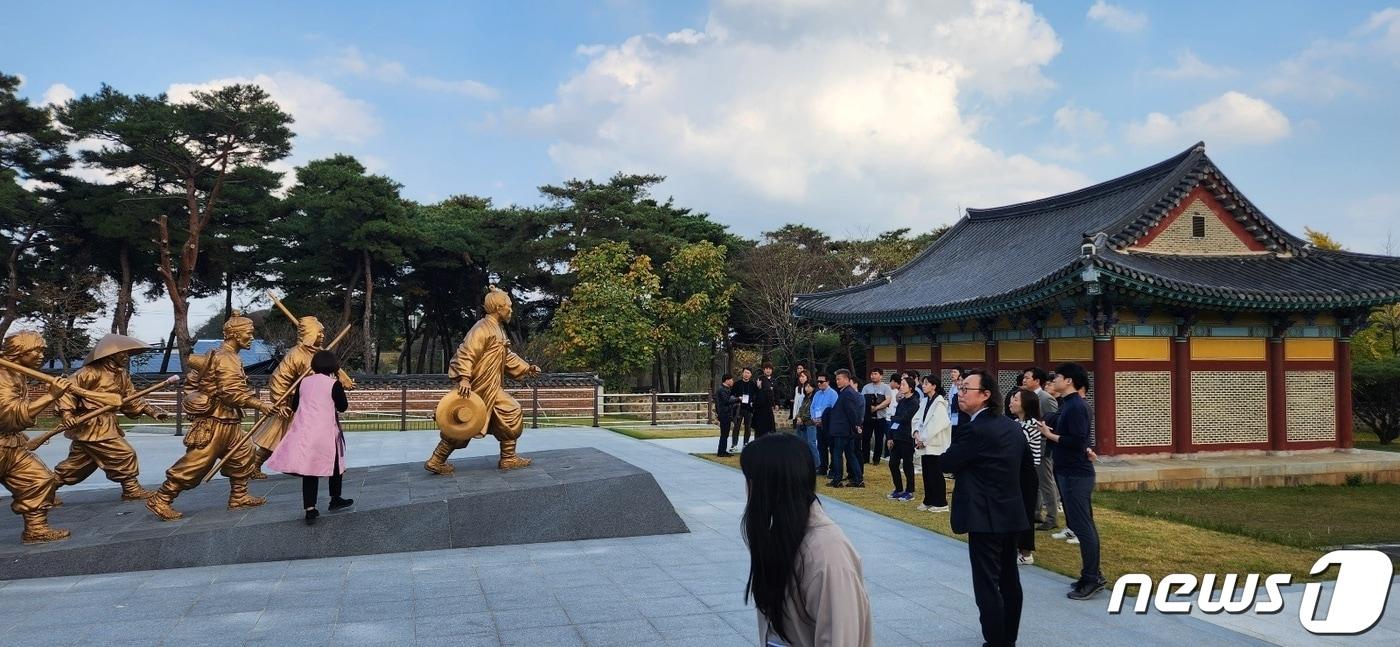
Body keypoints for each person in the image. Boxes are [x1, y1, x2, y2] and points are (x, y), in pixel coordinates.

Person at [147, 314, 285, 521]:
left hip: (229, 420)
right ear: (236, 335)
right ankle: (161, 498)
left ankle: (239, 496)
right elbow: (230, 392)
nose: (251, 337)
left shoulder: (218, 355)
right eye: (248, 333)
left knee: (243, 454)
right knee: (196, 463)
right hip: (214, 422)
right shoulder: (225, 358)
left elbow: (194, 382)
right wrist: (260, 404)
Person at [742, 433, 873, 646]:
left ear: (771, 485)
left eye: (750, 480)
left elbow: (841, 639)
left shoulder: (827, 555)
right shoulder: (783, 532)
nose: (747, 490)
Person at [941, 369, 1036, 647]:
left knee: (986, 583)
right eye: (959, 389)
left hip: (983, 516)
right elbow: (1027, 473)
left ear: (985, 395)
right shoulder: (1011, 426)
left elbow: (948, 462)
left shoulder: (974, 429)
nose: (960, 394)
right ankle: (1008, 637)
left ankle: (996, 642)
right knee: (1009, 579)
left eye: (965, 389)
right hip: (1010, 513)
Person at [424, 287, 542, 474]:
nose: (511, 310)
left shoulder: (498, 330)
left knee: (510, 411)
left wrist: (527, 368)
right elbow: (466, 352)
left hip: (492, 387)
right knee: (465, 421)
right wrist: (464, 378)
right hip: (478, 386)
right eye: (508, 307)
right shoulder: (481, 328)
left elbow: (507, 356)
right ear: (497, 308)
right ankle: (437, 460)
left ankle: (508, 458)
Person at [52, 333, 167, 501]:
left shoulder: (122, 375)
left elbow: (131, 398)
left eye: (128, 353)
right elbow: (67, 391)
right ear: (111, 354)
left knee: (77, 466)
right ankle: (131, 489)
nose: (126, 357)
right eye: (123, 353)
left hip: (106, 423)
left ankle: (43, 490)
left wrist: (152, 411)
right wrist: (67, 413)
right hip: (92, 424)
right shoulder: (88, 372)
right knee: (124, 453)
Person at [250, 316, 354, 479]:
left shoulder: (319, 354)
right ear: (311, 334)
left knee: (317, 438)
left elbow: (333, 370)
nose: (322, 336)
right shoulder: (296, 354)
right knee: (275, 437)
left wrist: (343, 380)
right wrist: (281, 403)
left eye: (322, 333)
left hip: (315, 406)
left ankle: (331, 465)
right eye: (319, 333)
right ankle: (254, 466)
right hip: (293, 404)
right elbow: (279, 378)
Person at [0, 331, 74, 543]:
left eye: (42, 350)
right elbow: (8, 414)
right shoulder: (3, 377)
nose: (41, 355)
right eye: (36, 350)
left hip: (11, 446)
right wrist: (51, 396)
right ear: (18, 351)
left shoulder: (16, 374)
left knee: (39, 479)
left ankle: (36, 530)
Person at [1040, 363, 1106, 600]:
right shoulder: (1067, 404)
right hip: (1067, 470)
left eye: (1057, 377)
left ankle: (1092, 577)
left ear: (1068, 381)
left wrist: (1050, 436)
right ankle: (1089, 574)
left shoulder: (1077, 406)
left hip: (1077, 473)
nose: (1053, 380)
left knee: (1083, 526)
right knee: (1079, 524)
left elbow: (1077, 441)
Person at [266, 350, 354, 524]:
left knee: (309, 470)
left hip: (305, 431)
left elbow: (296, 405)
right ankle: (335, 498)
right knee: (335, 465)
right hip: (326, 431)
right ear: (333, 365)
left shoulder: (304, 382)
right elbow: (343, 406)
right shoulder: (333, 384)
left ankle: (310, 509)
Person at [1008, 389, 1043, 566]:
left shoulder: (1031, 425)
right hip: (1015, 472)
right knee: (1014, 511)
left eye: (1015, 399)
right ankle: (1016, 546)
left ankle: (1026, 552)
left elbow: (1018, 450)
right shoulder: (1016, 423)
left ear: (1025, 404)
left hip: (1027, 474)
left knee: (1025, 513)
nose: (1011, 402)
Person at [1023, 367, 1060, 531]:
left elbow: (1053, 422)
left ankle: (1052, 517)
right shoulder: (1028, 397)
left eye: (1027, 378)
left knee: (1045, 481)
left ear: (1037, 381)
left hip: (1043, 445)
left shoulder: (1046, 399)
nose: (1024, 380)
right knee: (1033, 480)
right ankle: (1035, 512)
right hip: (1031, 444)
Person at [913, 376, 951, 512]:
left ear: (934, 386)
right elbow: (917, 418)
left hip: (935, 443)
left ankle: (941, 503)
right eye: (923, 383)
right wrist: (916, 433)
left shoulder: (940, 403)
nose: (923, 386)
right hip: (924, 441)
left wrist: (924, 439)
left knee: (935, 473)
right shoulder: (924, 401)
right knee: (927, 473)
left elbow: (937, 424)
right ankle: (928, 499)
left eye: (926, 384)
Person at [824, 369, 865, 488]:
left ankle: (837, 479)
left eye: (839, 379)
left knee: (837, 454)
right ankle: (858, 479)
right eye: (836, 379)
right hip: (845, 429)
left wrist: (856, 426)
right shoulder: (846, 392)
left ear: (847, 379)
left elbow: (852, 413)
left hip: (843, 430)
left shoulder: (847, 394)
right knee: (849, 454)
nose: (837, 381)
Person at [885, 377, 919, 502]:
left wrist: (895, 418)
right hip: (897, 437)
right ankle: (898, 489)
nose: (901, 386)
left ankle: (909, 491)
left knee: (907, 465)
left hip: (907, 437)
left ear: (910, 387)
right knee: (893, 464)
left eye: (904, 384)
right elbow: (896, 420)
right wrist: (890, 436)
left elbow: (906, 418)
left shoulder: (915, 402)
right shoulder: (902, 402)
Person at [860, 369, 894, 465]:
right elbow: (862, 400)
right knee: (866, 438)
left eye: (875, 374)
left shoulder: (885, 387)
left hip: (881, 417)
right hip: (868, 417)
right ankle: (865, 458)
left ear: (881, 376)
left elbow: (888, 400)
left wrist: (877, 407)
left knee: (879, 439)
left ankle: (876, 459)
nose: (873, 376)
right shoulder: (866, 387)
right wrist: (869, 406)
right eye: (872, 374)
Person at [808, 373, 838, 477]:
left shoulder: (833, 394)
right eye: (818, 382)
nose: (819, 384)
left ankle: (833, 469)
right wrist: (813, 418)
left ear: (828, 382)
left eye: (821, 382)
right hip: (818, 424)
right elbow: (812, 407)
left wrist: (824, 421)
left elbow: (834, 410)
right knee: (821, 447)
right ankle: (822, 467)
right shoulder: (817, 394)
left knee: (832, 448)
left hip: (828, 426)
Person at [792, 375, 819, 467]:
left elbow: (811, 412)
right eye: (806, 386)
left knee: (811, 444)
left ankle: (816, 464)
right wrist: (798, 417)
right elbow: (800, 409)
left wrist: (802, 418)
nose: (807, 388)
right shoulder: (805, 398)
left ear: (813, 388)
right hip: (802, 424)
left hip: (810, 424)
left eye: (809, 386)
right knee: (802, 443)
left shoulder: (814, 398)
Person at [714, 373, 738, 457]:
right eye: (731, 380)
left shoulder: (726, 389)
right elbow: (726, 401)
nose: (732, 381)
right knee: (724, 434)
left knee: (726, 434)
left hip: (726, 414)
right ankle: (721, 452)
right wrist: (737, 399)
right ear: (727, 380)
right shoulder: (721, 390)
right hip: (724, 414)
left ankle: (723, 450)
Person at [732, 368, 757, 451]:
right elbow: (732, 395)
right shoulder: (737, 384)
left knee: (748, 427)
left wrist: (753, 402)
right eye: (745, 372)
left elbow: (756, 396)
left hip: (749, 409)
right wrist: (738, 398)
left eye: (748, 373)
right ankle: (734, 444)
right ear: (742, 373)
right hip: (739, 408)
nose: (746, 374)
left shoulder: (753, 385)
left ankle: (746, 444)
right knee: (736, 427)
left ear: (751, 375)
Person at [752, 363, 778, 438]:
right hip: (760, 407)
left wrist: (776, 404)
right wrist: (758, 387)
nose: (768, 370)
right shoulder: (759, 379)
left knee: (770, 428)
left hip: (769, 407)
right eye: (766, 369)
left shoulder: (774, 380)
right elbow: (755, 392)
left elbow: (776, 393)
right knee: (760, 428)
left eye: (770, 369)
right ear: (763, 370)